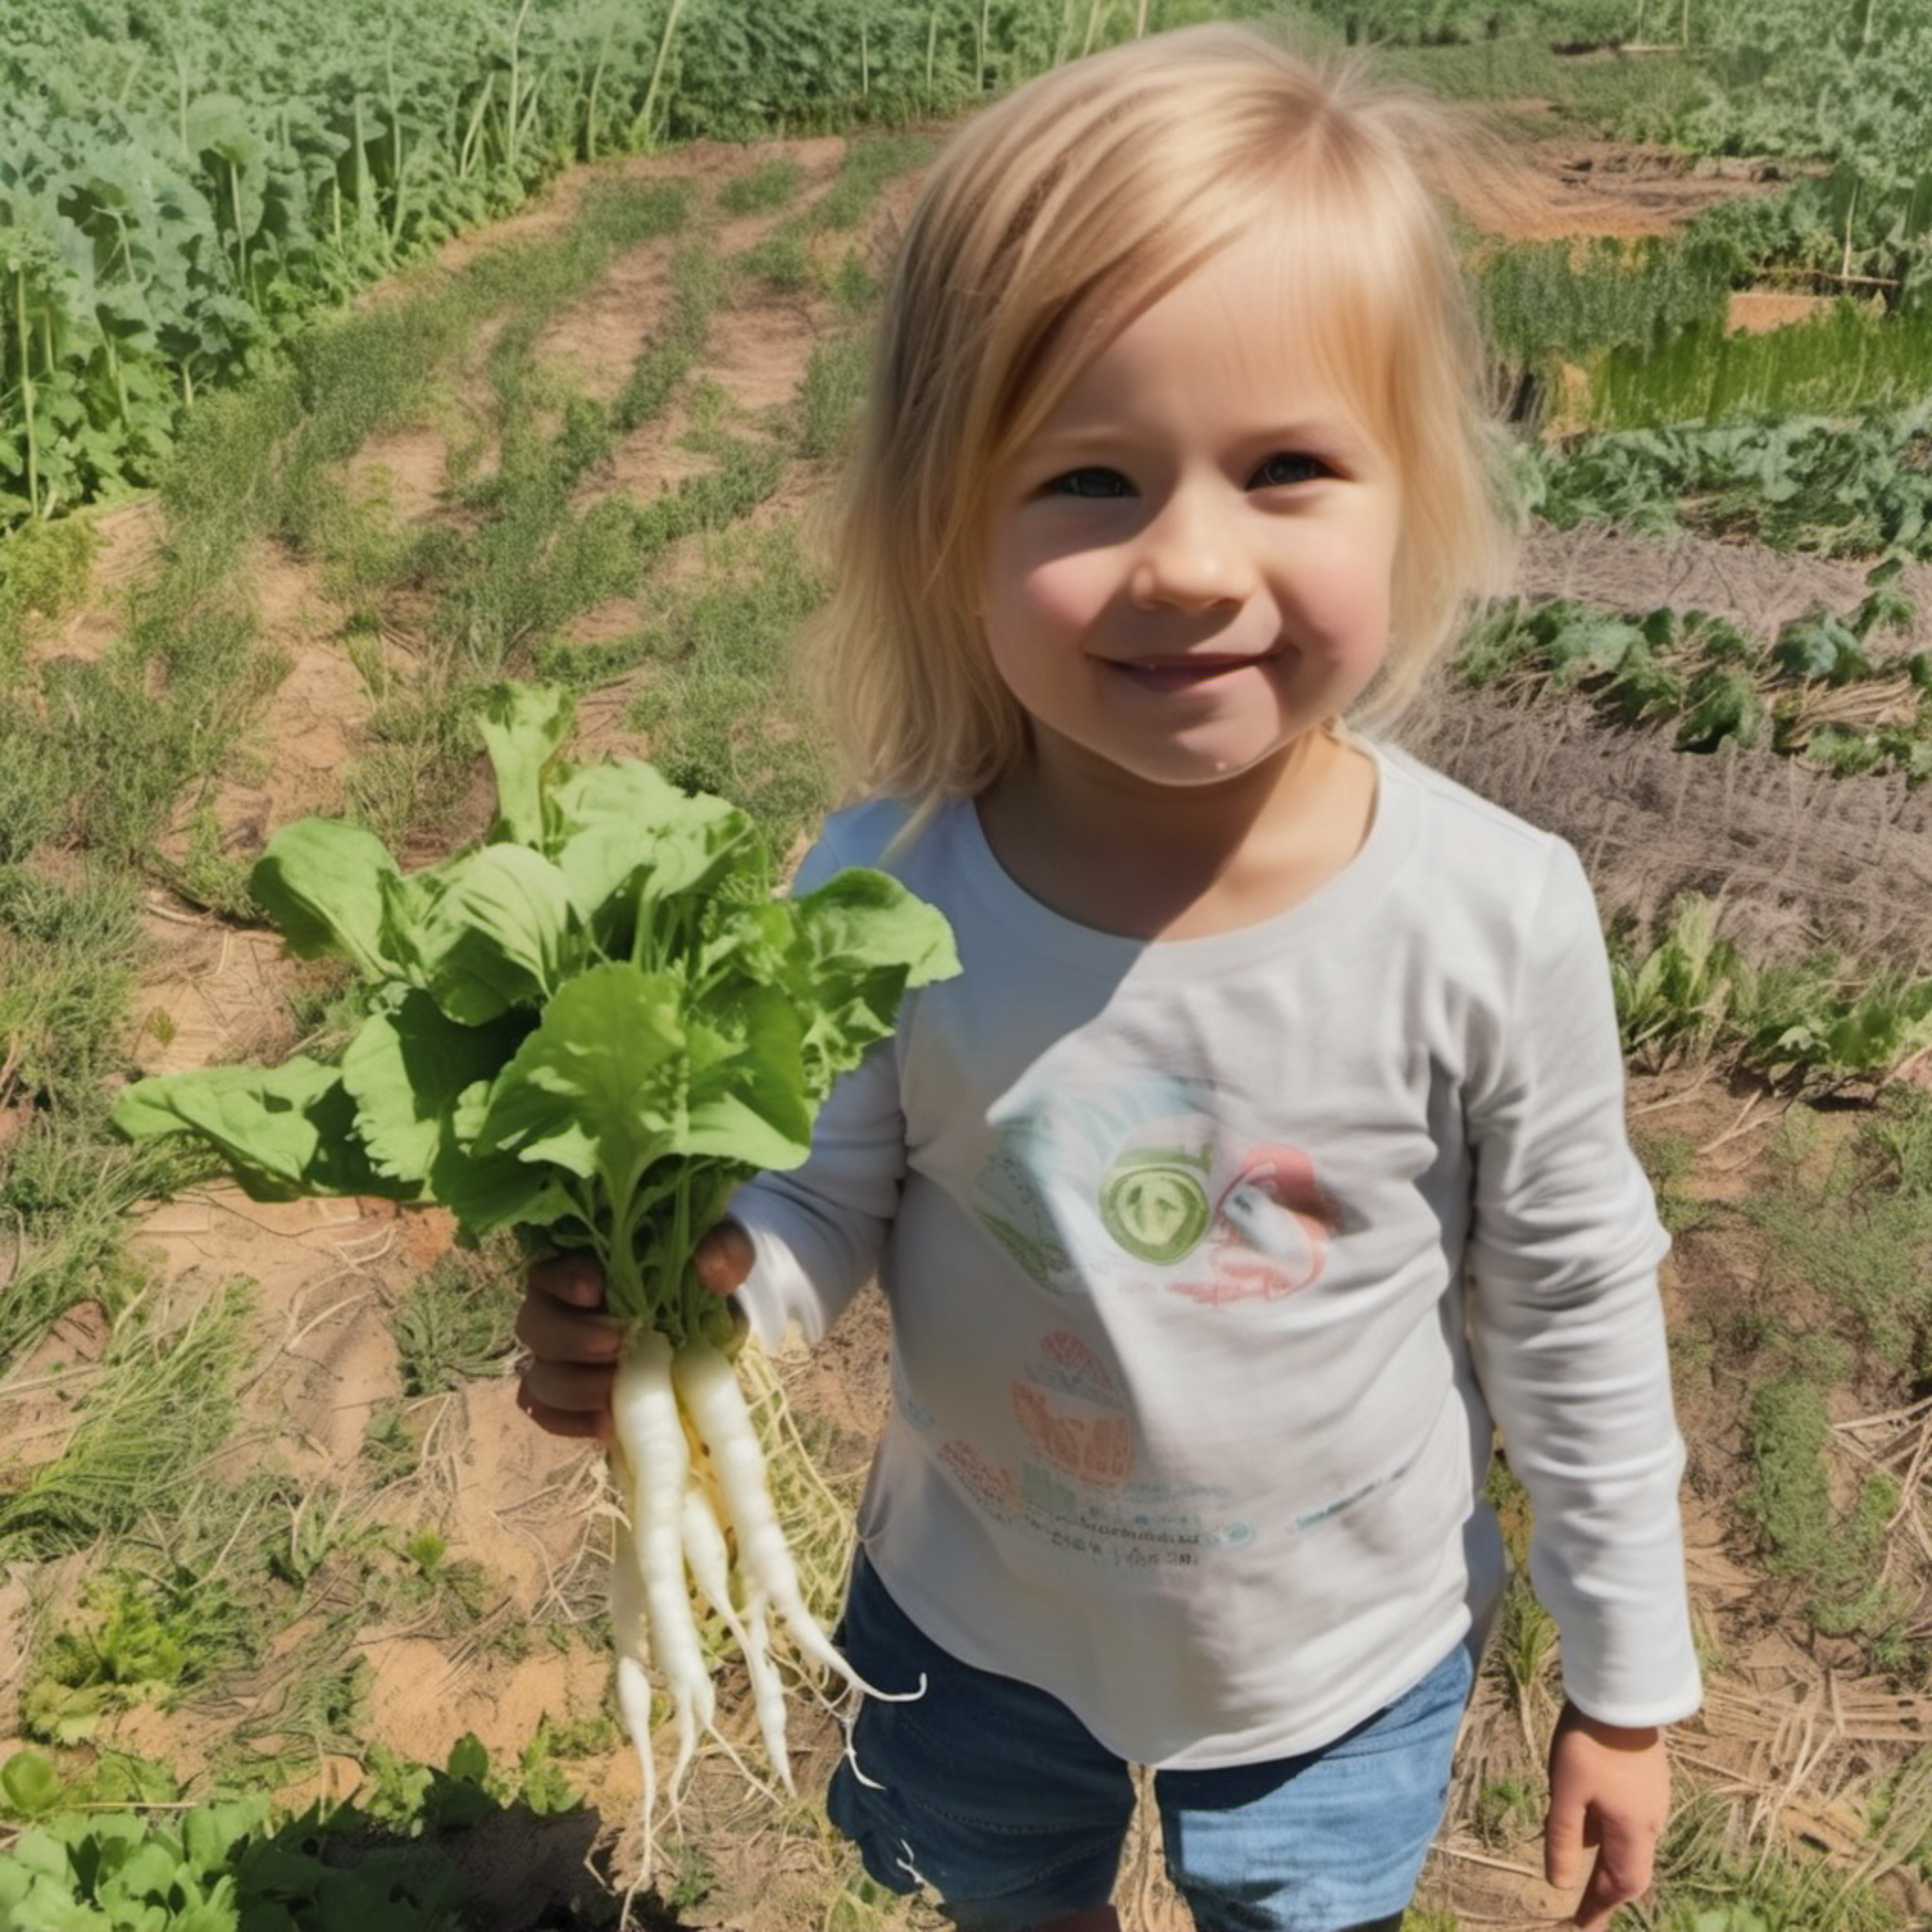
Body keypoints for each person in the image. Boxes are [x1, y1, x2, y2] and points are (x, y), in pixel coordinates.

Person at [514, 24, 1701, 1932]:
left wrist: (1626, 1680)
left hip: (1338, 1657)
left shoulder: (1490, 910)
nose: (1189, 566)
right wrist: (700, 1308)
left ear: (1418, 494)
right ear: (943, 526)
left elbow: (1565, 1294)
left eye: (1290, 466)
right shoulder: (887, 881)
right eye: (1086, 479)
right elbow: (827, 1189)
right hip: (976, 1615)